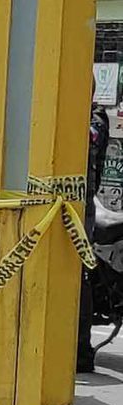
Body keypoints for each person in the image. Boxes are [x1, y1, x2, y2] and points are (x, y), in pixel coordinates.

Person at [78, 89, 110, 373]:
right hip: (67, 203)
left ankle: (80, 352)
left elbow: (90, 140)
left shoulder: (94, 118)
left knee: (77, 278)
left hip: (79, 205)